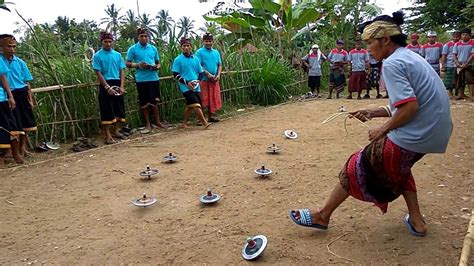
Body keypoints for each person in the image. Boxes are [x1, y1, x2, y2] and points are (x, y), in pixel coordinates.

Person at [289, 11, 452, 237]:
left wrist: (383, 129)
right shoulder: (409, 56)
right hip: (434, 130)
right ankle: (417, 221)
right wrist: (373, 112)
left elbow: (410, 108)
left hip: (418, 132)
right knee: (398, 165)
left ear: (385, 40)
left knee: (357, 165)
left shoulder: (393, 63)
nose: (368, 49)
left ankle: (322, 215)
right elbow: (409, 104)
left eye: (370, 43)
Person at [0, 34, 35, 156]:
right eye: (9, 46)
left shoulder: (20, 62)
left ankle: (22, 148)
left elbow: (26, 81)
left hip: (21, 92)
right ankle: (9, 151)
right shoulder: (1, 62)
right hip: (8, 94)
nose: (12, 49)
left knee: (25, 123)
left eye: (14, 46)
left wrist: (30, 98)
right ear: (2, 47)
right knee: (12, 123)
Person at [126, 27, 166, 134]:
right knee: (144, 102)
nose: (144, 38)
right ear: (138, 37)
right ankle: (147, 123)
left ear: (148, 37)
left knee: (155, 101)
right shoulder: (133, 49)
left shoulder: (153, 49)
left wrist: (156, 67)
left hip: (153, 78)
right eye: (141, 36)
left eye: (145, 36)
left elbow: (158, 63)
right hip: (141, 79)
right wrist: (138, 65)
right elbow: (127, 63)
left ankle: (157, 121)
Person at [92, 32, 127, 144]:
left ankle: (116, 131)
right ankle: (107, 135)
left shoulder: (117, 55)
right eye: (105, 41)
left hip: (117, 82)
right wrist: (107, 87)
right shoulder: (97, 56)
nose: (108, 44)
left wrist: (121, 86)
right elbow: (98, 73)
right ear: (102, 42)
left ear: (112, 42)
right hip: (105, 84)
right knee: (106, 109)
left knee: (118, 107)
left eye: (110, 41)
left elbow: (122, 70)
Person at [172, 37, 210, 129]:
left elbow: (201, 72)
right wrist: (186, 82)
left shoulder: (195, 59)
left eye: (188, 46)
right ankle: (204, 122)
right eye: (184, 46)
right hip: (185, 87)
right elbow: (175, 74)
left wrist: (197, 81)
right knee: (196, 104)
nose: (186, 48)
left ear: (191, 47)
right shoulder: (178, 60)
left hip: (196, 86)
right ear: (181, 47)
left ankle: (184, 123)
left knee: (191, 105)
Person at [0, 56, 23, 167]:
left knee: (10, 126)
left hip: (1, 98)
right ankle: (1, 158)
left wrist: (10, 95)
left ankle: (16, 154)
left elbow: (2, 76)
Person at [195, 32, 223, 122]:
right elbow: (198, 65)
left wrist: (218, 75)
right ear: (203, 41)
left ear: (212, 42)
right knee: (203, 98)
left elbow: (219, 65)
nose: (208, 43)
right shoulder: (199, 52)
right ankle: (201, 119)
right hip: (204, 79)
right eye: (206, 41)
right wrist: (207, 74)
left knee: (213, 98)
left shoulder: (216, 52)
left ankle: (211, 116)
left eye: (210, 41)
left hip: (214, 80)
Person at [453, 28, 474, 100]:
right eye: (463, 35)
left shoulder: (473, 43)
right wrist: (456, 62)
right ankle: (461, 94)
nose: (464, 36)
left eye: (466, 35)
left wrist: (466, 63)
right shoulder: (457, 44)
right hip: (459, 64)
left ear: (470, 35)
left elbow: (472, 55)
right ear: (461, 36)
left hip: (469, 65)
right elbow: (454, 54)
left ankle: (472, 95)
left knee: (470, 80)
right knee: (459, 80)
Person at [441, 31, 461, 98]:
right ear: (452, 37)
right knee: (449, 79)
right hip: (450, 64)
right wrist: (443, 65)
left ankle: (458, 93)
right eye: (454, 36)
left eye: (457, 36)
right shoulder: (447, 45)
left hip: (459, 65)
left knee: (458, 79)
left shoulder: (460, 44)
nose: (456, 38)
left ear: (460, 37)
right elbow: (444, 55)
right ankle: (450, 93)